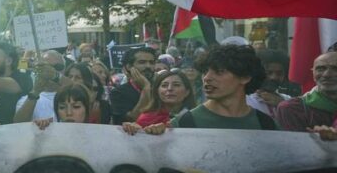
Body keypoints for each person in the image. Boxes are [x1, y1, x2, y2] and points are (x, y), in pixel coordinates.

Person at [147, 45, 277, 131]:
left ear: (245, 77)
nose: (207, 78)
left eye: (219, 72)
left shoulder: (266, 124)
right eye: (205, 71)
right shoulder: (184, 123)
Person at [276, 51, 337, 135]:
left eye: (335, 69)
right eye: (320, 69)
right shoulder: (293, 108)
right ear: (313, 73)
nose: (326, 74)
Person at [121, 69, 196, 135]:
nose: (169, 89)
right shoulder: (146, 118)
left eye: (176, 85)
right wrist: (134, 129)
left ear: (187, 92)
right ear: (157, 92)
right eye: (164, 85)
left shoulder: (195, 116)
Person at [14, 50, 64, 123]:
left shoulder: (73, 93)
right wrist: (34, 93)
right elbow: (19, 124)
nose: (50, 70)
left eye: (57, 67)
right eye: (45, 67)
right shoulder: (26, 100)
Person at [109, 47, 156, 124]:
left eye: (152, 62)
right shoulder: (118, 93)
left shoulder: (161, 88)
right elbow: (133, 118)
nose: (148, 66)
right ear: (129, 67)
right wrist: (145, 89)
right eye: (142, 62)